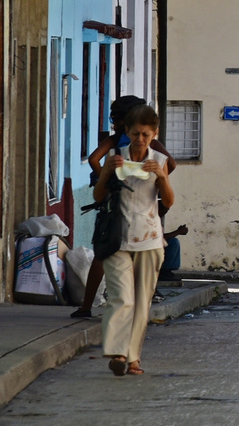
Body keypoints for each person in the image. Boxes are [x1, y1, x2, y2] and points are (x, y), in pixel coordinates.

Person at [72, 96, 176, 319]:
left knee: (104, 252)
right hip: (141, 206)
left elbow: (93, 159)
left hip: (113, 203)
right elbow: (171, 163)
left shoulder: (115, 140)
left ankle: (85, 306)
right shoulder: (149, 143)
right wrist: (156, 181)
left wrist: (108, 181)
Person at [94, 104, 173, 377]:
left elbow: (169, 202)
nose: (140, 139)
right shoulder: (116, 157)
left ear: (154, 134)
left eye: (145, 135)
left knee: (142, 303)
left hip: (150, 239)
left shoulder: (159, 161)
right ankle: (117, 352)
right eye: (135, 134)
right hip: (117, 238)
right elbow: (97, 196)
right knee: (122, 297)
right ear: (127, 131)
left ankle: (134, 358)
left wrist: (161, 176)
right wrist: (107, 172)